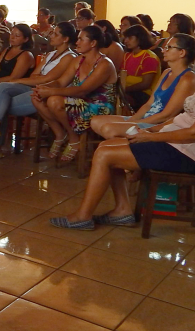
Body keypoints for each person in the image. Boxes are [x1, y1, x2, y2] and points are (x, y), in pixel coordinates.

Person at [51, 89, 195, 230]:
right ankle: (122, 210)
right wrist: (151, 130)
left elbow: (192, 133)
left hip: (186, 152)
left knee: (105, 155)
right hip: (174, 141)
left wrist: (150, 137)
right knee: (105, 146)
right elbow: (183, 118)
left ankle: (82, 217)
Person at [0, 22, 79, 142]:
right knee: (2, 90)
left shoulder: (69, 57)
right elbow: (35, 75)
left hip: (48, 92)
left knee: (0, 103)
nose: (51, 36)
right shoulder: (51, 54)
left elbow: (47, 79)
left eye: (55, 34)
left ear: (65, 39)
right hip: (35, 87)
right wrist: (37, 78)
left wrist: (17, 80)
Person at [32, 25, 118, 163]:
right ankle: (60, 133)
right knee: (37, 99)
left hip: (98, 106)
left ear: (93, 43)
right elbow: (61, 82)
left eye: (80, 39)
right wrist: (42, 88)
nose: (76, 42)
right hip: (78, 100)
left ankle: (73, 138)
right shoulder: (78, 60)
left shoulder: (105, 64)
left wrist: (51, 92)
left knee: (54, 100)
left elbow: (83, 90)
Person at [92, 33, 195, 139]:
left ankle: (129, 148)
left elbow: (167, 115)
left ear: (182, 53)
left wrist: (138, 122)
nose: (163, 50)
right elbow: (149, 104)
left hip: (158, 125)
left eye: (169, 47)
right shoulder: (167, 72)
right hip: (147, 118)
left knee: (108, 129)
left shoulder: (187, 79)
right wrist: (133, 120)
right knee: (96, 121)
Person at [119, 24, 161, 110]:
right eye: (125, 38)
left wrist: (124, 90)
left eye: (130, 38)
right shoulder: (127, 55)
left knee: (120, 99)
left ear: (140, 38)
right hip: (127, 90)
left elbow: (145, 84)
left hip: (145, 95)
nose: (126, 41)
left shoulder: (149, 57)